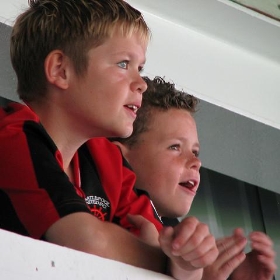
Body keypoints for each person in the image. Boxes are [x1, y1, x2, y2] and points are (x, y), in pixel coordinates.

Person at [0, 1, 219, 279]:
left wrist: (184, 262)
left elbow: (177, 257)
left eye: (140, 67)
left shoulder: (107, 159)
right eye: (123, 64)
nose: (142, 83)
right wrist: (162, 258)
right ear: (60, 70)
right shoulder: (12, 139)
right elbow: (88, 242)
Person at [113, 76, 277, 280]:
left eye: (195, 152)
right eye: (175, 147)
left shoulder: (178, 236)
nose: (196, 162)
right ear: (119, 157)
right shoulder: (103, 213)